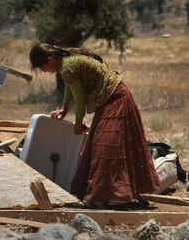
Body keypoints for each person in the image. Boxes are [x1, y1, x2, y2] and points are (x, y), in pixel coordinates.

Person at [29, 43, 159, 208]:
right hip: (111, 98)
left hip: (116, 98)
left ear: (50, 59)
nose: (45, 71)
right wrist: (65, 108)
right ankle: (117, 192)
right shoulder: (66, 64)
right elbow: (72, 88)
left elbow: (80, 98)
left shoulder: (68, 67)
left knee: (104, 147)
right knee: (102, 146)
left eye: (43, 67)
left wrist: (78, 123)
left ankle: (102, 197)